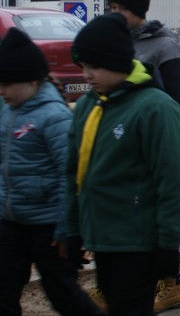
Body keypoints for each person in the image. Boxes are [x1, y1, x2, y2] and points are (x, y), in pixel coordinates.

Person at [65, 13, 180, 315]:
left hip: (139, 241)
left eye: (94, 66)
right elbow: (74, 172)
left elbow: (173, 180)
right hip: (104, 237)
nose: (86, 75)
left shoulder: (155, 108)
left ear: (119, 62)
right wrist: (73, 229)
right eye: (82, 66)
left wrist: (168, 244)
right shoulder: (89, 106)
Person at [106, 0, 180, 312]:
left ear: (138, 10)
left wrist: (167, 154)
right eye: (109, 8)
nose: (113, 15)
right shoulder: (113, 43)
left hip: (155, 154)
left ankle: (171, 284)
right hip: (123, 153)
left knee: (159, 223)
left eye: (119, 9)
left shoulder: (164, 46)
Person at [0, 29, 105, 316]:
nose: (2, 90)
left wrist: (65, 228)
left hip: (48, 226)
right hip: (12, 222)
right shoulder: (8, 111)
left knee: (63, 294)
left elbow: (68, 175)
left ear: (32, 80)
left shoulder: (54, 117)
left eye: (8, 84)